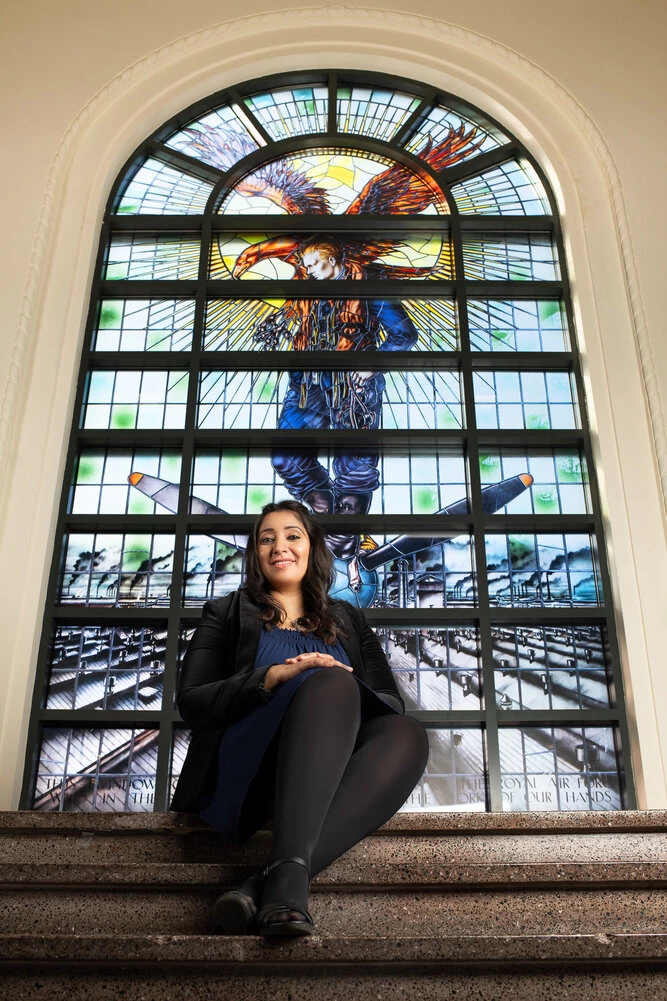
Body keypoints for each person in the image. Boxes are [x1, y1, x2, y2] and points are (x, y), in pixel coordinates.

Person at [171, 499, 429, 939]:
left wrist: (341, 685)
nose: (279, 546)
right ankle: (282, 884)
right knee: (328, 683)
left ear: (313, 549)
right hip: (249, 770)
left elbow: (389, 699)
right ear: (255, 553)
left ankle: (273, 885)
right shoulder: (225, 613)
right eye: (266, 538)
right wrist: (275, 675)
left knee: (406, 733)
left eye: (292, 535)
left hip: (327, 769)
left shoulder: (347, 618)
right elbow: (192, 702)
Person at [257, 236, 419, 559]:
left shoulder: (368, 286)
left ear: (333, 259)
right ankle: (323, 506)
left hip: (354, 391)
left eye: (316, 264)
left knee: (356, 470)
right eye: (307, 266)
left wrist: (373, 364)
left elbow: (405, 332)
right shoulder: (308, 292)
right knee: (285, 455)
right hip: (309, 385)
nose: (310, 271)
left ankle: (343, 545)